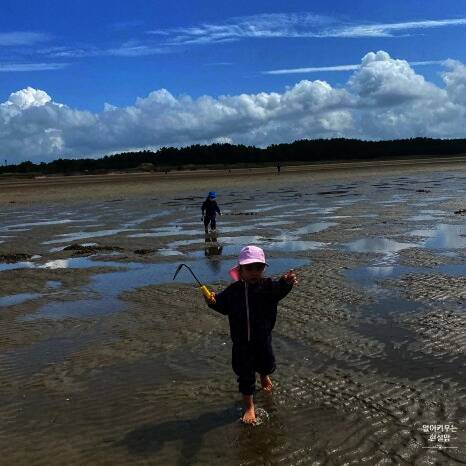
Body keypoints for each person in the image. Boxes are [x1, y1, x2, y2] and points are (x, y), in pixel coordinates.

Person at [205, 245, 297, 424]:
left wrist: (287, 281)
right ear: (240, 270)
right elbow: (222, 306)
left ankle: (264, 376)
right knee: (245, 375)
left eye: (259, 268)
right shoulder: (233, 291)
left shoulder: (268, 286)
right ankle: (249, 406)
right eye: (249, 268)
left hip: (263, 339)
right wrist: (212, 301)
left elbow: (281, 289)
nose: (254, 272)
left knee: (266, 363)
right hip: (241, 343)